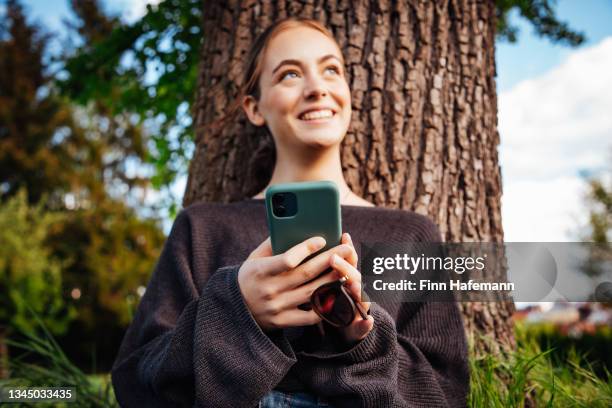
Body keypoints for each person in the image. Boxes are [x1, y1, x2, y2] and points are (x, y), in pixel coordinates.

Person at [111, 18, 469, 407]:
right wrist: (237, 311)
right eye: (290, 75)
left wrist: (362, 342)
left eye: (331, 69)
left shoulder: (412, 234)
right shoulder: (201, 227)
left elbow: (445, 392)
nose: (317, 88)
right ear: (254, 107)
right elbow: (136, 381)